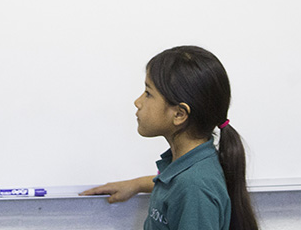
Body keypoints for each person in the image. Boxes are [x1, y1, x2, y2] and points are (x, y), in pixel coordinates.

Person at [81, 45, 260, 230]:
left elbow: (187, 189)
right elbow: (174, 186)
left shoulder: (195, 187)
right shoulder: (189, 167)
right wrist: (136, 185)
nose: (138, 102)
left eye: (148, 93)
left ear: (179, 114)